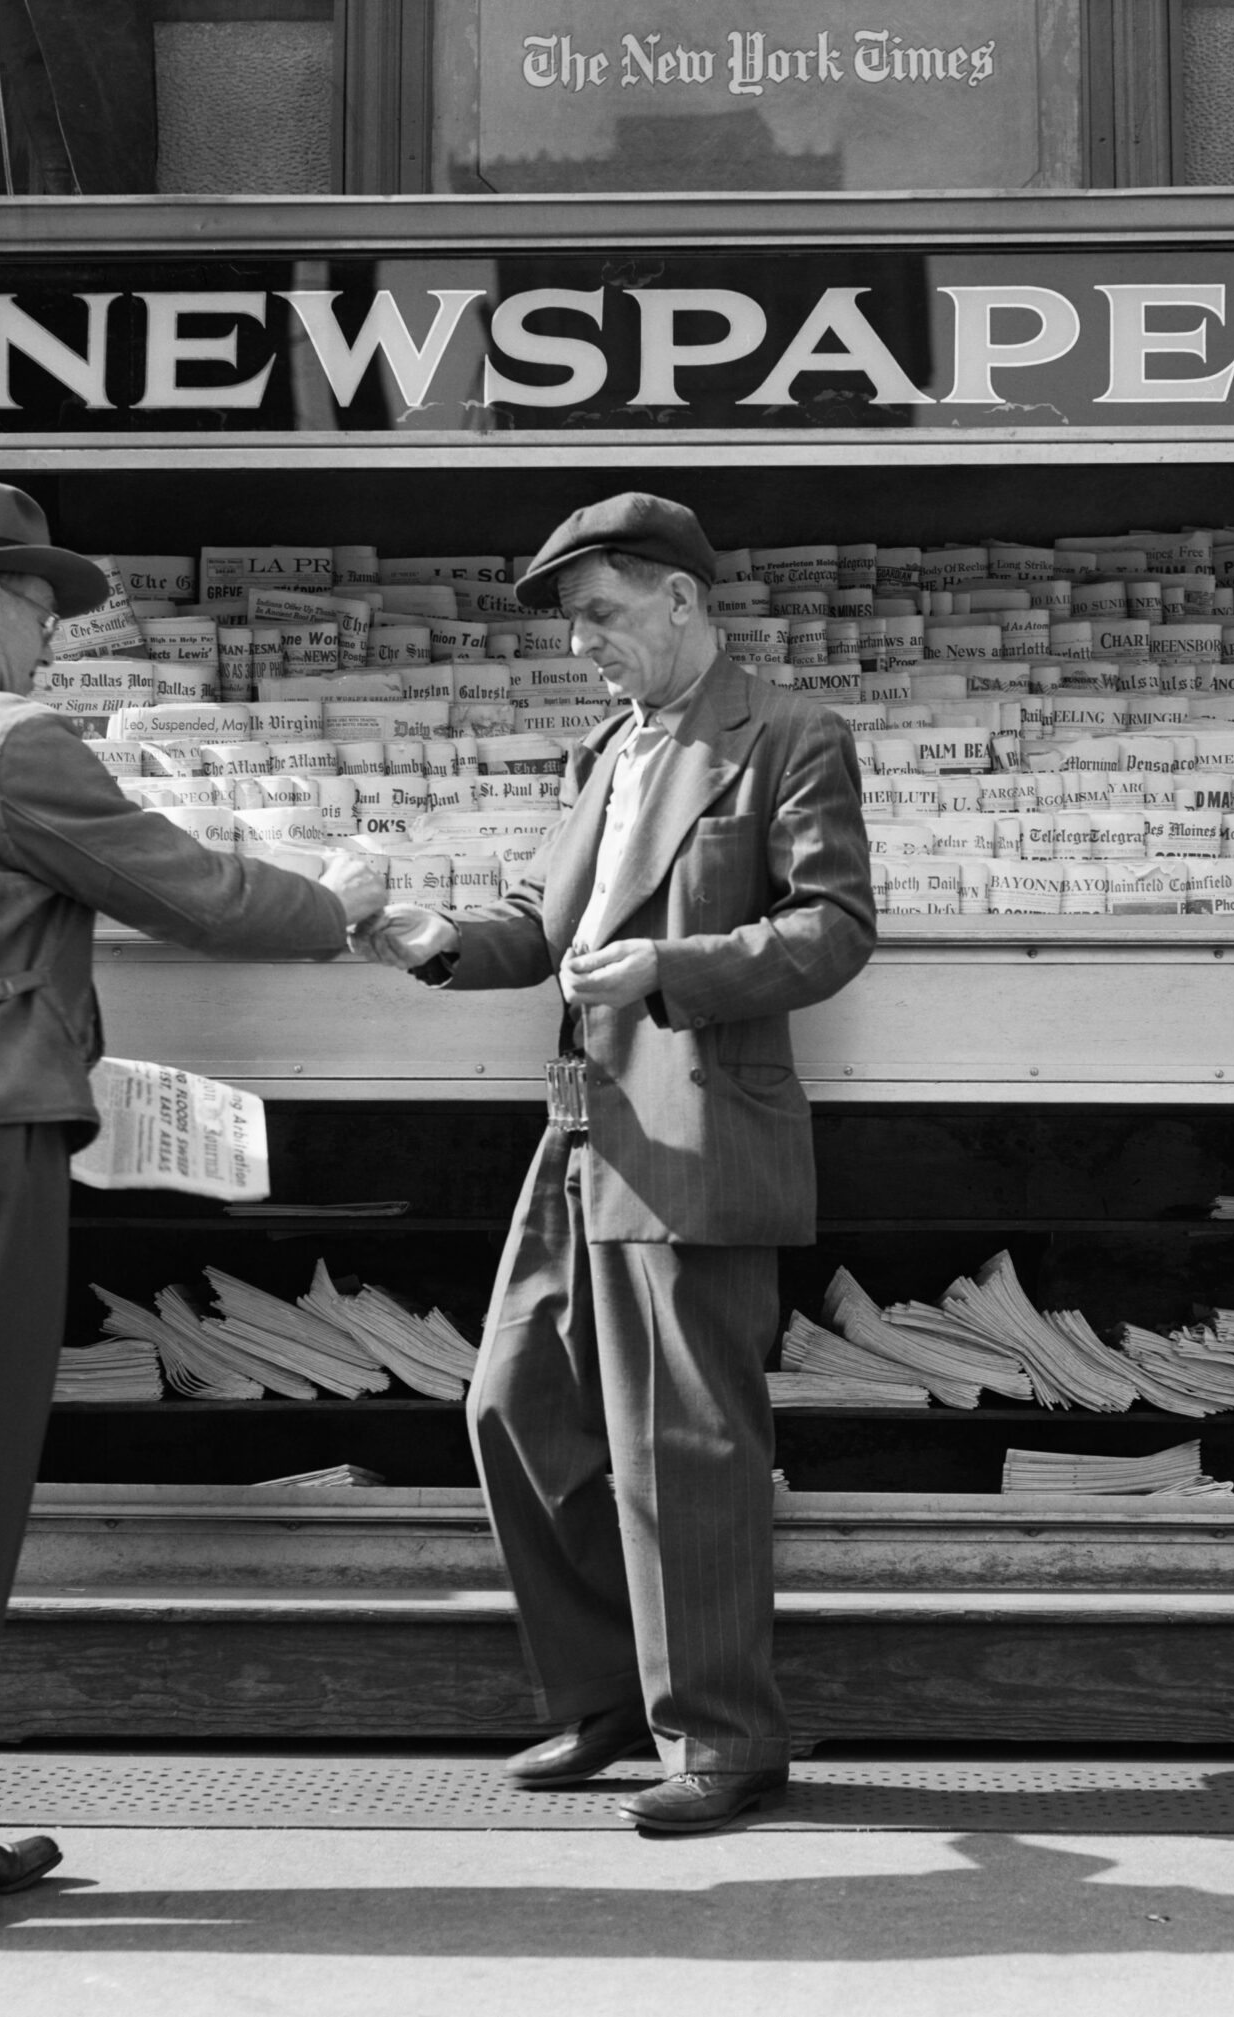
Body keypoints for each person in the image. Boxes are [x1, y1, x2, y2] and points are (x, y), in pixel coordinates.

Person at [0, 482, 386, 1935]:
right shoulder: (4, 741)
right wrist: (338, 897)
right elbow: (195, 892)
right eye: (41, 613)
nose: (50, 644)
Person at [362, 492, 875, 1834]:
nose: (583, 641)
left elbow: (834, 929)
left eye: (600, 613)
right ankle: (608, 1692)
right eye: (575, 621)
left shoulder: (792, 735)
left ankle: (724, 1737)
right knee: (513, 1401)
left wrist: (673, 969)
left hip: (696, 1122)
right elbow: (542, 922)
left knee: (685, 1445)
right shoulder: (612, 746)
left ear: (684, 601)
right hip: (586, 1127)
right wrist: (426, 934)